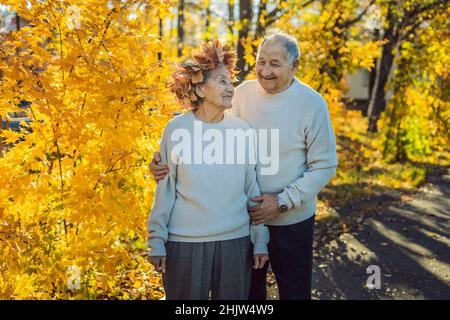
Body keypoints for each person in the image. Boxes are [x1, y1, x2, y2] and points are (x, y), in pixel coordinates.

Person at [150, 33, 338, 300]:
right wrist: (163, 162)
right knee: (249, 296)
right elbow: (203, 127)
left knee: (295, 293)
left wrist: (283, 201)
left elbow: (325, 166)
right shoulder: (240, 94)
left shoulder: (312, 104)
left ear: (294, 66)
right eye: (261, 62)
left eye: (275, 63)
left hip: (291, 220)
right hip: (244, 219)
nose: (265, 71)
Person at [147, 39, 269, 300]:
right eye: (222, 82)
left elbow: (252, 189)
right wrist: (156, 239)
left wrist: (260, 239)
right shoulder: (177, 130)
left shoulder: (242, 131)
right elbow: (165, 188)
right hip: (184, 244)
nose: (231, 88)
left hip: (235, 242)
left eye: (231, 82)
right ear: (200, 90)